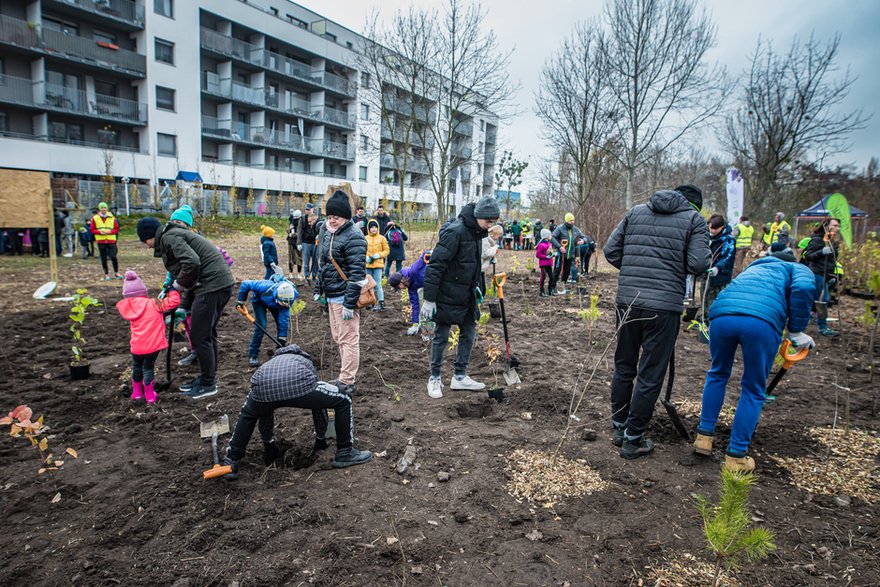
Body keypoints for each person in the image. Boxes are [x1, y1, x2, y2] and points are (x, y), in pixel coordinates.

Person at [603, 184, 710, 459]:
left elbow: (611, 251)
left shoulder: (635, 212)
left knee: (624, 365)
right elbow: (699, 264)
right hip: (663, 307)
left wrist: (634, 273)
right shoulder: (694, 220)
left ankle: (619, 427)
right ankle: (633, 438)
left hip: (627, 301)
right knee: (650, 373)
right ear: (695, 205)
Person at [693, 252, 815, 472]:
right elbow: (804, 289)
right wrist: (796, 331)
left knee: (718, 373)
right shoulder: (796, 269)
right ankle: (736, 456)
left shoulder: (753, 268)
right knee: (753, 388)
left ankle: (704, 437)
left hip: (721, 316)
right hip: (760, 323)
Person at [221, 344, 372, 480]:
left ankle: (231, 460)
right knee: (343, 399)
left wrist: (268, 442)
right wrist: (321, 439)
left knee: (249, 414)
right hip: (300, 385)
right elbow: (317, 407)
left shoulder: (269, 363)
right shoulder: (305, 360)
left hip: (262, 387)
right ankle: (345, 452)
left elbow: (265, 410)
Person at [136, 216, 235, 399]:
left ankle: (208, 384)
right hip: (216, 284)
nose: (147, 246)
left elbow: (192, 263)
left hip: (212, 285)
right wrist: (183, 304)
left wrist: (177, 286)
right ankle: (207, 378)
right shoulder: (173, 235)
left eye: (145, 241)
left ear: (151, 235)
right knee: (207, 334)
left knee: (200, 335)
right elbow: (191, 272)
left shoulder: (169, 237)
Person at [422, 196, 500, 399]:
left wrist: (478, 288)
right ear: (478, 216)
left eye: (493, 222)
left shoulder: (476, 234)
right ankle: (435, 377)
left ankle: (459, 376)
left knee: (469, 332)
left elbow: (473, 266)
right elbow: (435, 266)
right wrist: (429, 299)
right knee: (441, 336)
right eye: (488, 221)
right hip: (447, 294)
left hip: (467, 295)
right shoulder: (454, 232)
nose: (490, 225)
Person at [315, 190, 367, 395]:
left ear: (345, 216)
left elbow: (357, 274)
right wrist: (319, 289)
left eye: (335, 217)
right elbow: (323, 264)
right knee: (339, 338)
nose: (332, 220)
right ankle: (344, 377)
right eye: (329, 217)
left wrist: (349, 303)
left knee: (348, 339)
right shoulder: (328, 233)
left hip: (344, 296)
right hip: (332, 294)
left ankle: (346, 381)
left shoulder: (354, 237)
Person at [115, 271, 181, 405]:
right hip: (152, 346)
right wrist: (172, 290)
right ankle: (150, 395)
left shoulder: (128, 307)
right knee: (148, 369)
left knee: (137, 367)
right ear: (143, 291)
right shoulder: (154, 303)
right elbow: (175, 301)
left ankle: (137, 393)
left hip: (136, 347)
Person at [236, 279, 298, 367]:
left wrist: (282, 338)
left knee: (281, 326)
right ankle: (253, 354)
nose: (284, 305)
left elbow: (283, 320)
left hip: (275, 305)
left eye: (286, 304)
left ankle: (279, 353)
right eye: (282, 303)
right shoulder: (264, 287)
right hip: (259, 302)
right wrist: (240, 301)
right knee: (261, 326)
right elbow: (245, 284)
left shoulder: (289, 299)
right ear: (277, 297)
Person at [802, 217, 841, 337]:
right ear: (826, 226)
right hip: (816, 273)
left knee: (814, 299)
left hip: (826, 274)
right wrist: (822, 251)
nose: (836, 228)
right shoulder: (817, 240)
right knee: (823, 300)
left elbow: (831, 260)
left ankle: (806, 318)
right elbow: (808, 255)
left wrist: (831, 275)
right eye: (834, 225)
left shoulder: (832, 241)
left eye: (838, 226)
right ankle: (823, 327)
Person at [389, 250, 431, 335]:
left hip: (438, 279)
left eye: (398, 287)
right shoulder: (411, 288)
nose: (400, 289)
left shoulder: (413, 271)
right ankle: (426, 329)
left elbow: (424, 255)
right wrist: (415, 323)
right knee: (422, 304)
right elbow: (415, 305)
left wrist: (431, 253)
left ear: (401, 281)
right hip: (429, 286)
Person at [702, 214, 736, 315]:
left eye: (715, 228)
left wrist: (717, 267)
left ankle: (714, 322)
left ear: (722, 227)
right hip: (706, 275)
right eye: (710, 227)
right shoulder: (706, 237)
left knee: (717, 303)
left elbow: (727, 257)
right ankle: (704, 320)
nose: (712, 230)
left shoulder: (728, 240)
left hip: (720, 278)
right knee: (705, 299)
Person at [551, 213, 587, 292]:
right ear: (567, 221)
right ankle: (552, 287)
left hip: (570, 255)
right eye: (571, 220)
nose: (572, 222)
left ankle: (562, 287)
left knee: (566, 272)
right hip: (561, 255)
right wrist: (559, 247)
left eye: (573, 220)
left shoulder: (575, 229)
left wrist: (583, 240)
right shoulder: (560, 228)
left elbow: (584, 237)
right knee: (557, 271)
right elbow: (552, 237)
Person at [90, 202, 121, 280]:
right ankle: (106, 274)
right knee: (103, 257)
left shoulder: (112, 218)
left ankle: (116, 272)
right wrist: (100, 232)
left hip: (111, 240)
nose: (103, 209)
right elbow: (92, 229)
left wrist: (110, 232)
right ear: (99, 209)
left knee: (113, 256)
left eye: (105, 208)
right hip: (101, 240)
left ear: (107, 209)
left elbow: (116, 229)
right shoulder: (95, 218)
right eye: (102, 208)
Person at [365, 218, 390, 311]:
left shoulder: (382, 238)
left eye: (375, 227)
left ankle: (381, 302)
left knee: (378, 284)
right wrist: (365, 257)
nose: (373, 229)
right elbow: (362, 250)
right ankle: (371, 301)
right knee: (369, 284)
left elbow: (387, 250)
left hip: (378, 265)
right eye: (371, 227)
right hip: (368, 265)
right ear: (369, 228)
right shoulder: (365, 238)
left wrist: (379, 255)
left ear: (378, 228)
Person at [480, 224, 503, 294]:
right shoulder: (485, 239)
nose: (497, 239)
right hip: (478, 269)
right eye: (498, 236)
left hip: (481, 269)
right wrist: (495, 248)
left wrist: (491, 260)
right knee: (481, 290)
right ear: (493, 234)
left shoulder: (489, 241)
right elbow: (485, 254)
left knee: (482, 290)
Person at [298, 212, 320, 286]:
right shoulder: (303, 220)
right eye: (308, 222)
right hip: (306, 243)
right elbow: (300, 231)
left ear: (314, 219)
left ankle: (314, 276)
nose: (309, 223)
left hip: (315, 243)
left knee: (315, 260)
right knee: (306, 261)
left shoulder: (319, 223)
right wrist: (299, 243)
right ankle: (307, 276)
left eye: (310, 222)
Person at [535, 228, 556, 297]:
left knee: (551, 277)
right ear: (546, 236)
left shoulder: (549, 244)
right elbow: (538, 255)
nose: (551, 236)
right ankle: (542, 291)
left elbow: (550, 252)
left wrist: (553, 254)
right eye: (549, 235)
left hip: (549, 263)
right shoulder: (541, 245)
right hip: (543, 264)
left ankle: (550, 290)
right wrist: (546, 256)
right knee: (543, 277)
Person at [288, 210, 302, 277]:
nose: (295, 219)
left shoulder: (302, 222)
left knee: (299, 258)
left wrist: (293, 235)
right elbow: (288, 231)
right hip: (291, 242)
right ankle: (290, 273)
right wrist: (289, 230)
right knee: (291, 258)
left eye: (296, 217)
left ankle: (299, 273)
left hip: (298, 242)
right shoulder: (291, 222)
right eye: (294, 217)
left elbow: (301, 233)